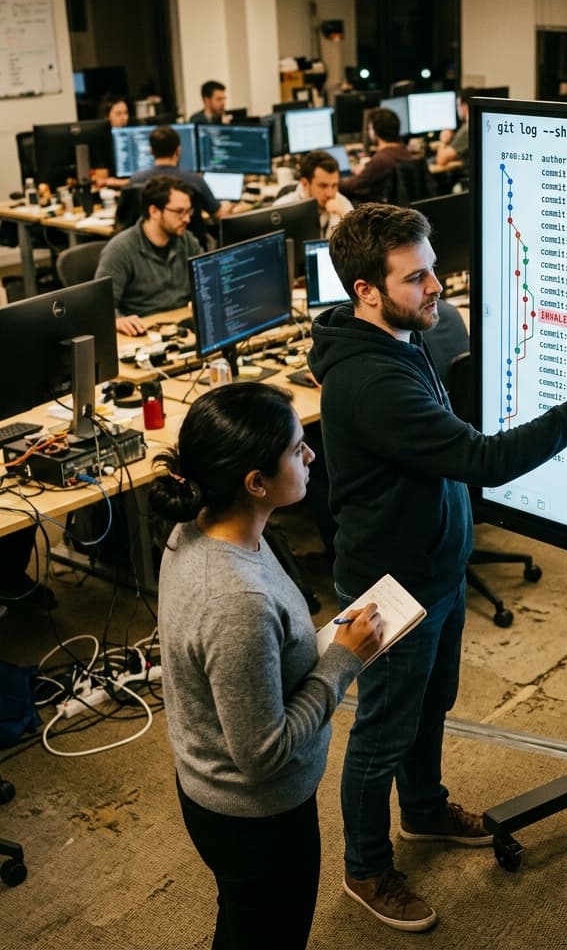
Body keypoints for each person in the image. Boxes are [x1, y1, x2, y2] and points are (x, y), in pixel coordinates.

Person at [307, 202, 567, 932]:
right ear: (366, 290)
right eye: (417, 277)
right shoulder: (372, 381)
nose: (436, 288)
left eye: (433, 272)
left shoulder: (396, 342)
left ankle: (422, 811)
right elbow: (481, 460)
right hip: (392, 584)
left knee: (430, 704)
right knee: (381, 734)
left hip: (434, 566)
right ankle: (367, 868)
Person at [150, 382, 383, 950]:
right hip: (256, 817)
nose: (311, 457)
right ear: (255, 482)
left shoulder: (198, 529)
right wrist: (343, 661)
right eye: (298, 448)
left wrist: (322, 646)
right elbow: (263, 754)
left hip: (219, 796)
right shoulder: (236, 601)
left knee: (246, 924)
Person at [96, 174, 200, 335]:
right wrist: (118, 320)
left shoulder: (186, 241)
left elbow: (206, 284)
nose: (187, 219)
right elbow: (101, 307)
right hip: (145, 332)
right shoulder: (120, 249)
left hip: (183, 327)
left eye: (189, 211)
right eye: (179, 212)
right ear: (154, 211)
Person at [129, 125, 232, 221]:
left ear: (151, 151)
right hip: (189, 238)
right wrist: (228, 205)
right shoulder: (194, 180)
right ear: (178, 151)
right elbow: (219, 215)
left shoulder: (135, 181)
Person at [338, 108, 414, 205]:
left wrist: (334, 180)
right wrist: (368, 168)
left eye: (369, 128)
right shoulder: (405, 152)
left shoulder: (381, 160)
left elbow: (352, 186)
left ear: (374, 131)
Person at [274, 149, 353, 238]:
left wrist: (343, 216)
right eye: (323, 186)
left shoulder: (342, 204)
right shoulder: (281, 210)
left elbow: (360, 245)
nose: (330, 194)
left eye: (334, 185)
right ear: (305, 184)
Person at [434, 88, 474, 169]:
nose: (457, 109)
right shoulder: (473, 125)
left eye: (457, 105)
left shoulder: (467, 129)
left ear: (465, 106)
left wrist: (443, 141)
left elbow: (441, 160)